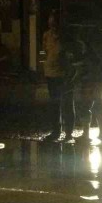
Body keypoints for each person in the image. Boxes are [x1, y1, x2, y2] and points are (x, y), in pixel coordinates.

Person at [42, 9, 75, 143]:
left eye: (54, 22)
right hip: (51, 74)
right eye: (51, 22)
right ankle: (56, 131)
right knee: (55, 104)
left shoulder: (65, 36)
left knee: (67, 103)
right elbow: (46, 51)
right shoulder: (47, 35)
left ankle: (68, 132)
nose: (52, 25)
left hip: (64, 74)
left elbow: (69, 54)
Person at [78, 38, 102, 142]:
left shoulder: (85, 58)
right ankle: (101, 133)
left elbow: (84, 71)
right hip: (99, 82)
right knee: (99, 105)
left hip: (89, 83)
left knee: (85, 107)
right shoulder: (96, 57)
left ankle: (86, 134)